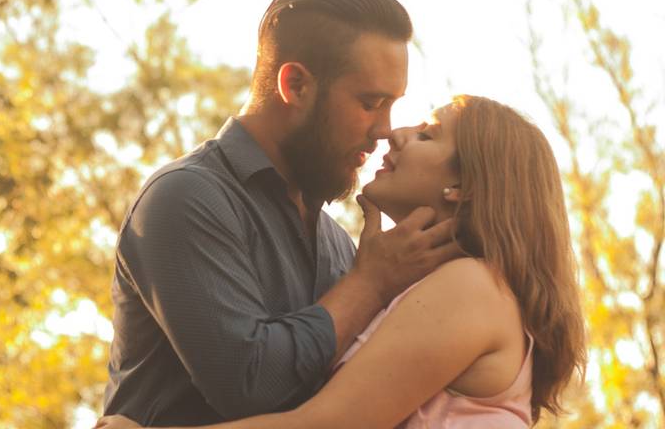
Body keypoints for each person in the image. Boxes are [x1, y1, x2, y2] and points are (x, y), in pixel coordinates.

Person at [96, 95, 587, 428]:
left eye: (428, 135)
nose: (395, 133)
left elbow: (323, 425)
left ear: (462, 188)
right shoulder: (440, 290)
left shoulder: (471, 289)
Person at [103, 0, 460, 424]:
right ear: (296, 85)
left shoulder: (337, 244)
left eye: (392, 104)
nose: (385, 128)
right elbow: (249, 385)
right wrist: (369, 284)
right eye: (371, 102)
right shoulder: (185, 199)